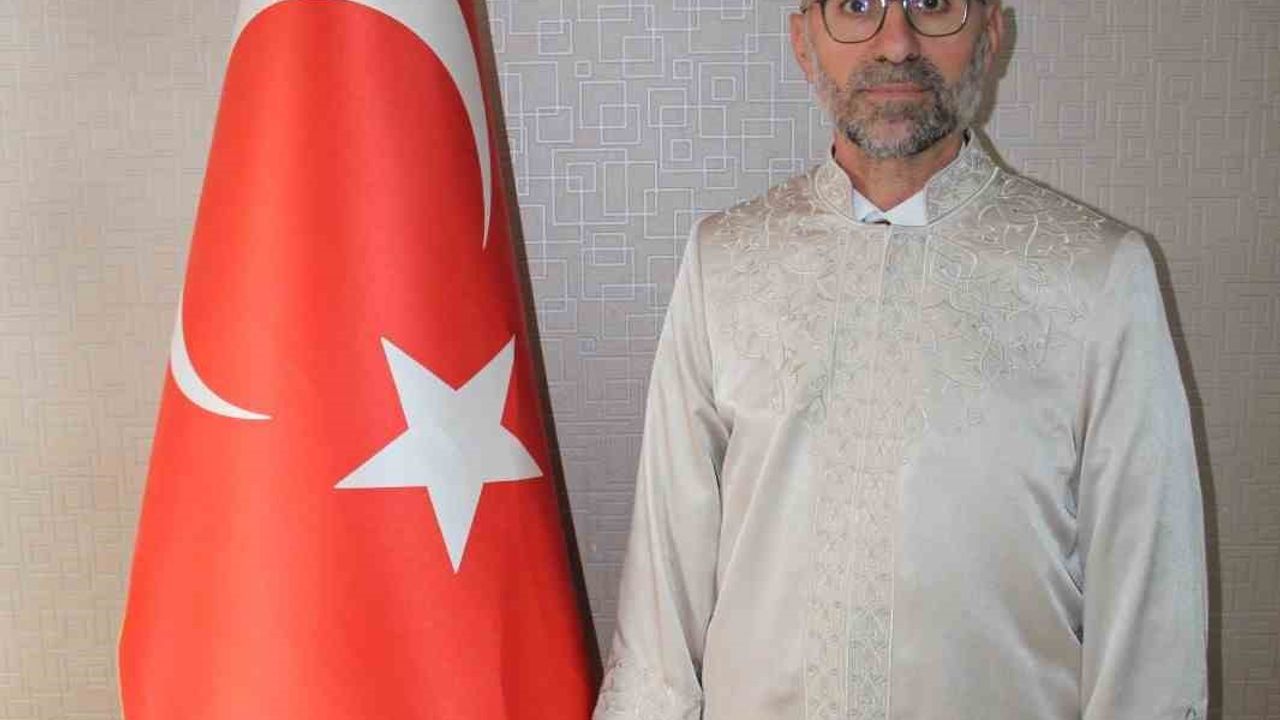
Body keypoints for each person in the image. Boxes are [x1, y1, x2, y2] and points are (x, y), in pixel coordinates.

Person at [592, 0, 1210, 718]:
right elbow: (662, 602)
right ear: (803, 38)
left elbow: (1149, 620)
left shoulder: (1097, 276)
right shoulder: (723, 263)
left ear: (990, 32)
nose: (896, 42)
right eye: (857, 6)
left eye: (933, 3)